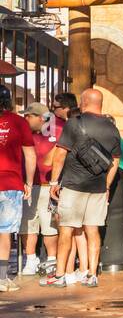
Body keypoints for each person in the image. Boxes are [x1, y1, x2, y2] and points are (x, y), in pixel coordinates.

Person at [45, 89, 120, 289]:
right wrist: (106, 186)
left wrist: (53, 183)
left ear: (83, 101)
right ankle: (91, 274)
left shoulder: (74, 123)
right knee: (93, 230)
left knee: (67, 230)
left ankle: (61, 274)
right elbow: (115, 160)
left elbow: (60, 155)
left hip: (73, 186)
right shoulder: (111, 127)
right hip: (97, 188)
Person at [0, 86, 36, 292]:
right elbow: (30, 155)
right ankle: (1, 278)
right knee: (4, 233)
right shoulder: (19, 122)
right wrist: (29, 182)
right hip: (10, 184)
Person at [18, 102, 56, 276]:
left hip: (49, 186)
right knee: (27, 224)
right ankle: (31, 259)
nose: (26, 118)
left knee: (49, 225)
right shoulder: (21, 132)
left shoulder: (58, 131)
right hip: (28, 185)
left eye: (29, 116)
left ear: (41, 117)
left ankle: (52, 259)